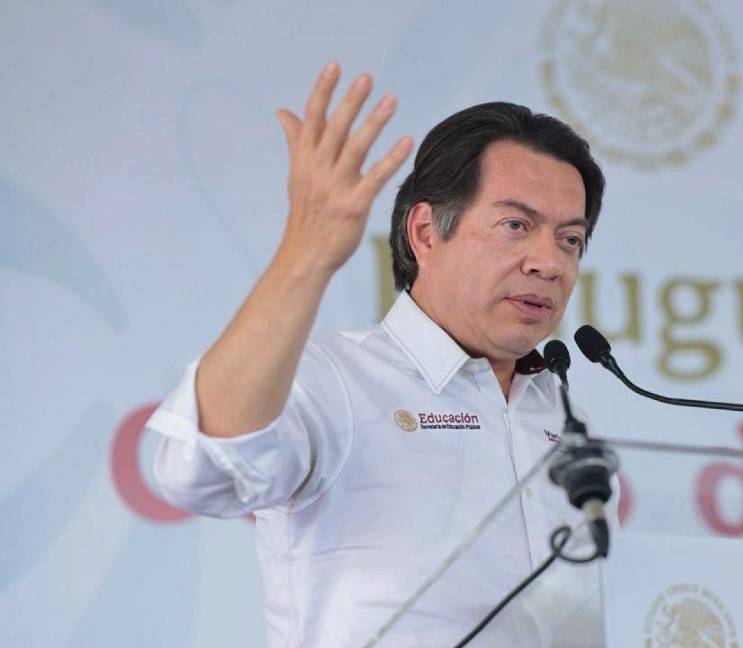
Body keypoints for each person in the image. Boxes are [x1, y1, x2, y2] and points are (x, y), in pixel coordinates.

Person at [146, 61, 608, 647]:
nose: (550, 263)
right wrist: (307, 251)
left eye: (570, 239)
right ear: (426, 233)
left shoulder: (563, 416)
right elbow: (198, 472)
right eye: (517, 225)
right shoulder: (333, 378)